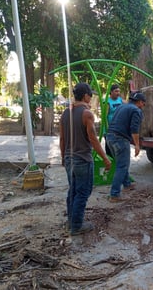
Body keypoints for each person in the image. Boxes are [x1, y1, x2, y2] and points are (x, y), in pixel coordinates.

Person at [59, 82, 111, 236]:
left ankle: (71, 221)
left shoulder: (65, 113)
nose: (91, 98)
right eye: (91, 95)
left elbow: (62, 139)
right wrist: (106, 159)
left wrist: (63, 157)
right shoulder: (87, 114)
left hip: (69, 159)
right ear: (85, 96)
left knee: (73, 191)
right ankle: (76, 225)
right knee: (82, 192)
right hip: (82, 159)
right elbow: (93, 140)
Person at [106, 91, 146, 202]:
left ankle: (127, 184)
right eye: (143, 103)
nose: (143, 106)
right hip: (120, 139)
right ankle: (114, 195)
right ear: (139, 102)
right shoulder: (136, 110)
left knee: (121, 163)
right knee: (122, 166)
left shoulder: (121, 107)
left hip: (109, 137)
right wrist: (137, 145)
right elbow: (134, 129)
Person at [105, 84, 123, 156]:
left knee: (118, 148)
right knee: (110, 148)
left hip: (119, 128)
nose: (118, 93)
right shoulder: (107, 102)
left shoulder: (120, 100)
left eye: (119, 91)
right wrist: (107, 129)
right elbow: (104, 116)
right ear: (111, 92)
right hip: (110, 128)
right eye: (116, 91)